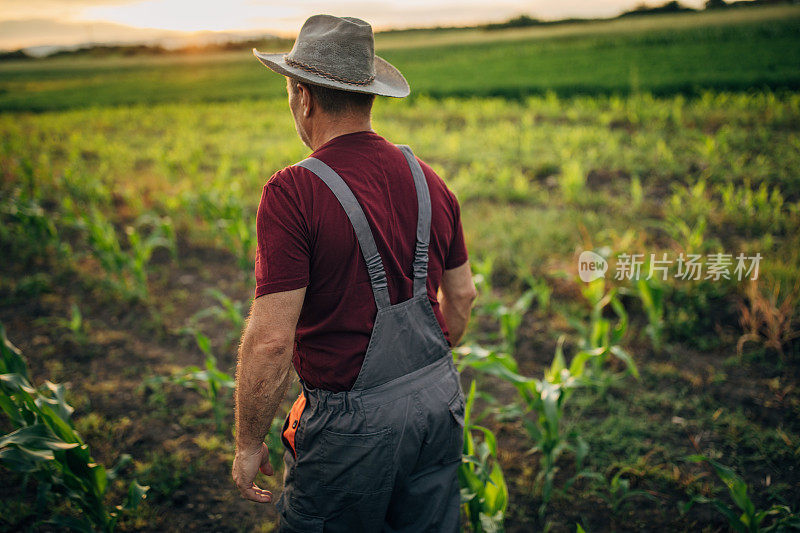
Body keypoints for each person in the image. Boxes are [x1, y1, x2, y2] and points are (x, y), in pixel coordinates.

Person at [231, 14, 477, 532]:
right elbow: (464, 297)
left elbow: (272, 342)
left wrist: (248, 443)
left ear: (303, 96)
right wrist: (418, 378)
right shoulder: (429, 178)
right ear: (369, 95)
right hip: (439, 403)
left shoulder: (293, 192)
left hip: (350, 432)